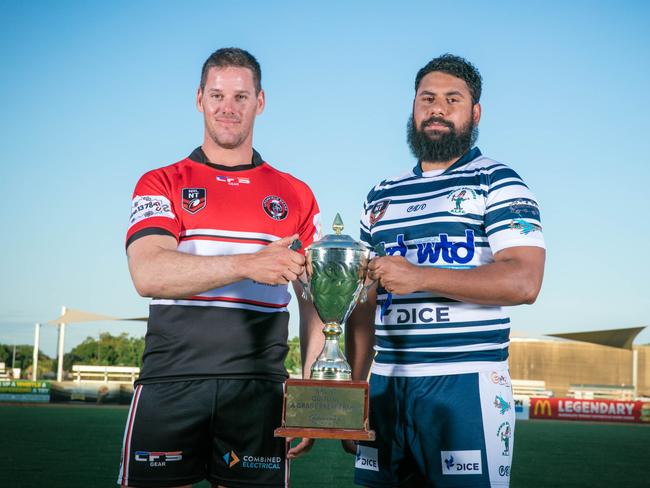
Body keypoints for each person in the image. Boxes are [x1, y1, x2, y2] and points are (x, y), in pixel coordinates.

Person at [118, 47, 324, 488]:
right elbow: (149, 273)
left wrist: (311, 397)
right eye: (217, 96)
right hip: (170, 382)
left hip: (260, 392)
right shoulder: (162, 181)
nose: (228, 108)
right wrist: (252, 263)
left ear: (260, 102)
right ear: (199, 100)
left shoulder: (296, 194)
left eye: (241, 97)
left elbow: (318, 305)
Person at [344, 54, 546, 487]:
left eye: (452, 99)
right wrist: (354, 389)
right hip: (384, 386)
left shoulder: (497, 179)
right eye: (427, 98)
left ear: (475, 113)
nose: (437, 108)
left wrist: (421, 276)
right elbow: (362, 302)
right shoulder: (381, 194)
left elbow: (525, 281)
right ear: (413, 108)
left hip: (465, 385)